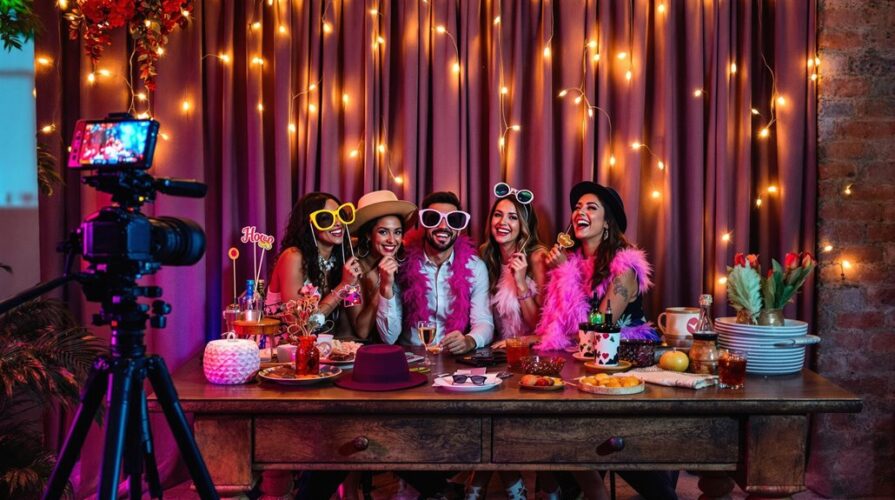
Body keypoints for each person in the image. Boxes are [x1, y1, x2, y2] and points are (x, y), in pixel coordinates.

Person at [536, 181, 673, 500]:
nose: (580, 212)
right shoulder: (574, 262)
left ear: (607, 222)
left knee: (603, 435)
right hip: (588, 368)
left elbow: (599, 328)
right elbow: (563, 327)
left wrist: (564, 274)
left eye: (591, 207)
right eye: (577, 208)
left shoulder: (625, 267)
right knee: (558, 426)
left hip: (626, 369)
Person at [465, 183, 548, 500]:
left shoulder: (537, 257)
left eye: (513, 217)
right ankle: (497, 486)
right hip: (498, 358)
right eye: (498, 215)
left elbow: (545, 326)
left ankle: (481, 487)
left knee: (497, 417)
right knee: (482, 412)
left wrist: (521, 281)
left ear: (524, 224)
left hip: (535, 356)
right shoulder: (485, 257)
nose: (503, 222)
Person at [377, 191, 494, 354]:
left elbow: (483, 321)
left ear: (459, 229)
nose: (443, 226)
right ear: (423, 224)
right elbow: (388, 337)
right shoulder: (401, 264)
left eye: (453, 220)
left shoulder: (475, 267)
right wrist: (386, 287)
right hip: (412, 357)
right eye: (433, 218)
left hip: (454, 358)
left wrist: (470, 340)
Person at [267, 192, 363, 339]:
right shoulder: (293, 257)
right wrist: (343, 286)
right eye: (326, 218)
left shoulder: (341, 260)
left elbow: (357, 322)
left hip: (322, 347)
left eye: (341, 214)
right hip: (281, 349)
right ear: (308, 224)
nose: (338, 222)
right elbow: (300, 327)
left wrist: (357, 287)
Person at [346, 190, 417, 342]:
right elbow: (361, 331)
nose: (392, 240)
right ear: (367, 235)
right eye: (383, 232)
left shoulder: (405, 264)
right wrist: (382, 286)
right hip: (353, 350)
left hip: (394, 348)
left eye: (397, 232)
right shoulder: (351, 272)